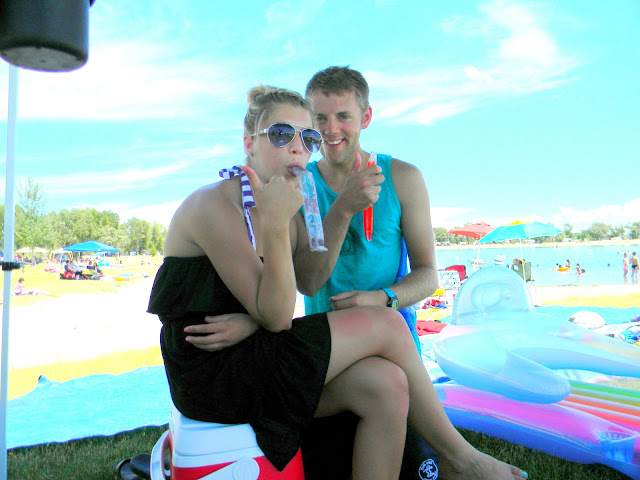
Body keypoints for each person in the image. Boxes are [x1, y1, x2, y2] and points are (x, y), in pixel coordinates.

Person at [148, 85, 525, 480]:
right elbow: (276, 316)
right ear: (249, 143)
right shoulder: (214, 204)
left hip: (257, 352)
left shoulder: (292, 207)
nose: (298, 147)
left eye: (307, 138)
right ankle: (459, 459)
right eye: (281, 134)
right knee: (388, 323)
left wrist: (339, 210)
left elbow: (309, 282)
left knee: (386, 384)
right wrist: (275, 226)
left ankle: (451, 459)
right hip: (213, 375)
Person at [297, 65, 439, 479]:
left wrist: (382, 299)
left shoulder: (403, 178)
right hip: (331, 361)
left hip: (398, 357)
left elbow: (429, 274)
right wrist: (343, 207)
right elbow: (308, 281)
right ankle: (459, 458)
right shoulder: (302, 186)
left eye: (343, 116)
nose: (330, 129)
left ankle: (453, 458)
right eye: (319, 118)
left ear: (366, 117)